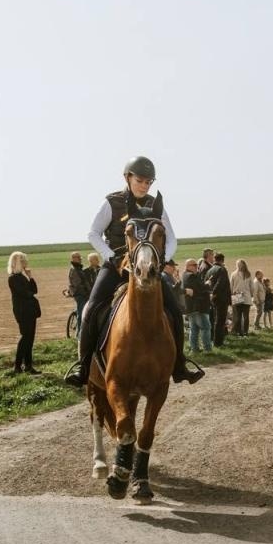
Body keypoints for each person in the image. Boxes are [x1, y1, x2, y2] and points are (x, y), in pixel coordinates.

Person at [65, 156, 202, 388]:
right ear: (127, 177)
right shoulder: (112, 202)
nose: (145, 185)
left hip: (149, 267)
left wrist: (163, 260)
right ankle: (84, 366)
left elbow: (172, 238)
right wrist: (111, 256)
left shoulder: (155, 206)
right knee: (91, 308)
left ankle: (179, 365)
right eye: (140, 180)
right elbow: (93, 234)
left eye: (149, 182)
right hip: (116, 265)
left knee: (174, 311)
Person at [7, 251, 40, 374]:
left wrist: (30, 276)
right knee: (25, 337)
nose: (26, 262)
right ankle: (17, 366)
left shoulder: (22, 276)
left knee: (30, 339)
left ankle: (28, 366)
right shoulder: (13, 278)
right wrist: (30, 293)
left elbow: (34, 290)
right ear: (18, 262)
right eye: (24, 260)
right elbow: (25, 294)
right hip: (22, 311)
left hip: (30, 311)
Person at [182, 258, 213, 354]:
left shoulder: (186, 275)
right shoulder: (191, 276)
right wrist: (207, 284)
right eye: (194, 265)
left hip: (192, 308)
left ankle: (194, 349)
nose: (197, 267)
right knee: (205, 328)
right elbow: (199, 289)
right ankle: (207, 349)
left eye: (197, 265)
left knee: (194, 329)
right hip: (198, 307)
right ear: (188, 266)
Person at [207, 250, 231, 347]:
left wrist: (210, 294)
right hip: (221, 299)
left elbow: (206, 282)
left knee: (215, 320)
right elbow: (220, 283)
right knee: (220, 321)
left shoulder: (210, 270)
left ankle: (214, 340)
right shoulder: (222, 269)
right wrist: (214, 293)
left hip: (213, 299)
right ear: (222, 260)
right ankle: (218, 342)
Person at [66, 251, 93, 326]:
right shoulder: (74, 269)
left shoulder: (78, 267)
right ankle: (79, 334)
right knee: (81, 314)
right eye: (78, 257)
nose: (80, 259)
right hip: (80, 294)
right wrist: (87, 293)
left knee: (82, 311)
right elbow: (78, 285)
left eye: (80, 257)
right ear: (73, 259)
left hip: (82, 293)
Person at [230, 259, 254, 336]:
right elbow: (231, 286)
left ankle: (246, 332)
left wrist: (251, 294)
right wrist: (232, 294)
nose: (239, 266)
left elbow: (252, 286)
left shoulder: (248, 274)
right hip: (237, 296)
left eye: (240, 264)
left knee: (246, 316)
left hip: (246, 296)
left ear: (244, 265)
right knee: (238, 316)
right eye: (238, 264)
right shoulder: (233, 274)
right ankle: (239, 332)